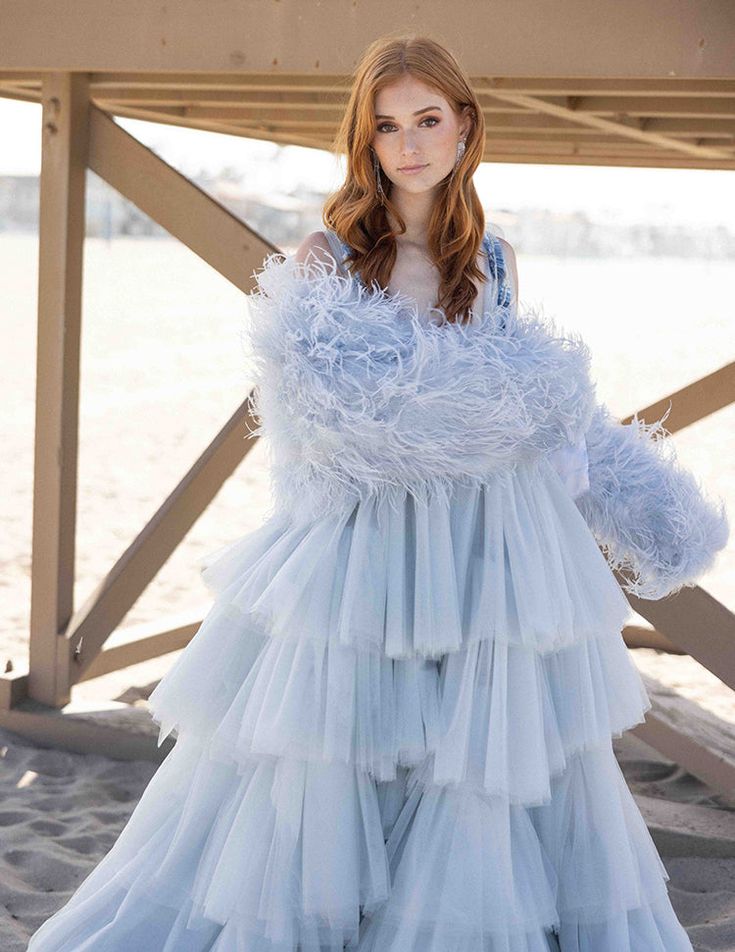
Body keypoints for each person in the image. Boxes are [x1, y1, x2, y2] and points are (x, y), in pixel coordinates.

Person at [28, 34, 728, 952]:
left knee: (477, 751)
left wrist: (573, 457)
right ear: (364, 140)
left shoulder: (500, 262)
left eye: (427, 120)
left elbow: (535, 407)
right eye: (387, 125)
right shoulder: (326, 254)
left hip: (487, 538)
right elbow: (316, 419)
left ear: (464, 127)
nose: (408, 144)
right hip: (367, 542)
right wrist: (482, 414)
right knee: (340, 745)